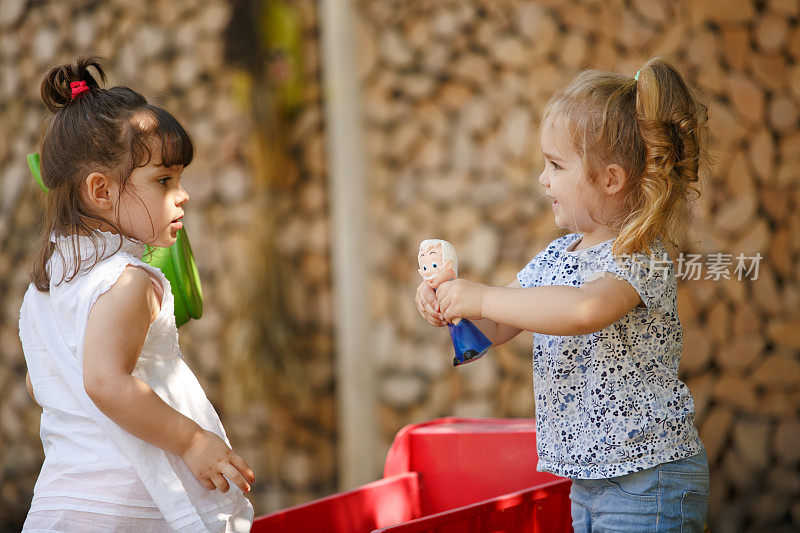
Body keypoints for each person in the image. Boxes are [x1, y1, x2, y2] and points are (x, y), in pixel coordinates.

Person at [415, 57, 709, 532]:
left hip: (649, 479)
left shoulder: (639, 255)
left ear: (610, 179)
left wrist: (483, 297)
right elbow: (498, 323)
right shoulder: (556, 257)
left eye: (555, 165)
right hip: (588, 479)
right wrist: (453, 305)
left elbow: (584, 309)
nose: (542, 179)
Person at [18, 56, 254, 532]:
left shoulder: (48, 285)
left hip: (62, 503)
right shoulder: (128, 283)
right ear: (101, 191)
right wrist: (191, 441)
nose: (183, 194)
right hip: (132, 506)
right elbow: (105, 382)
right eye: (164, 180)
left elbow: (39, 382)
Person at [417, 239, 491, 366]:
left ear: (448, 265)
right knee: (455, 330)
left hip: (456, 315)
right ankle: (461, 352)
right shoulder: (440, 290)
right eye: (424, 268)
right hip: (452, 317)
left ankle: (470, 348)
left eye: (434, 266)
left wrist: (481, 302)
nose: (428, 272)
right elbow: (497, 328)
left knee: (460, 326)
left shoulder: (456, 291)